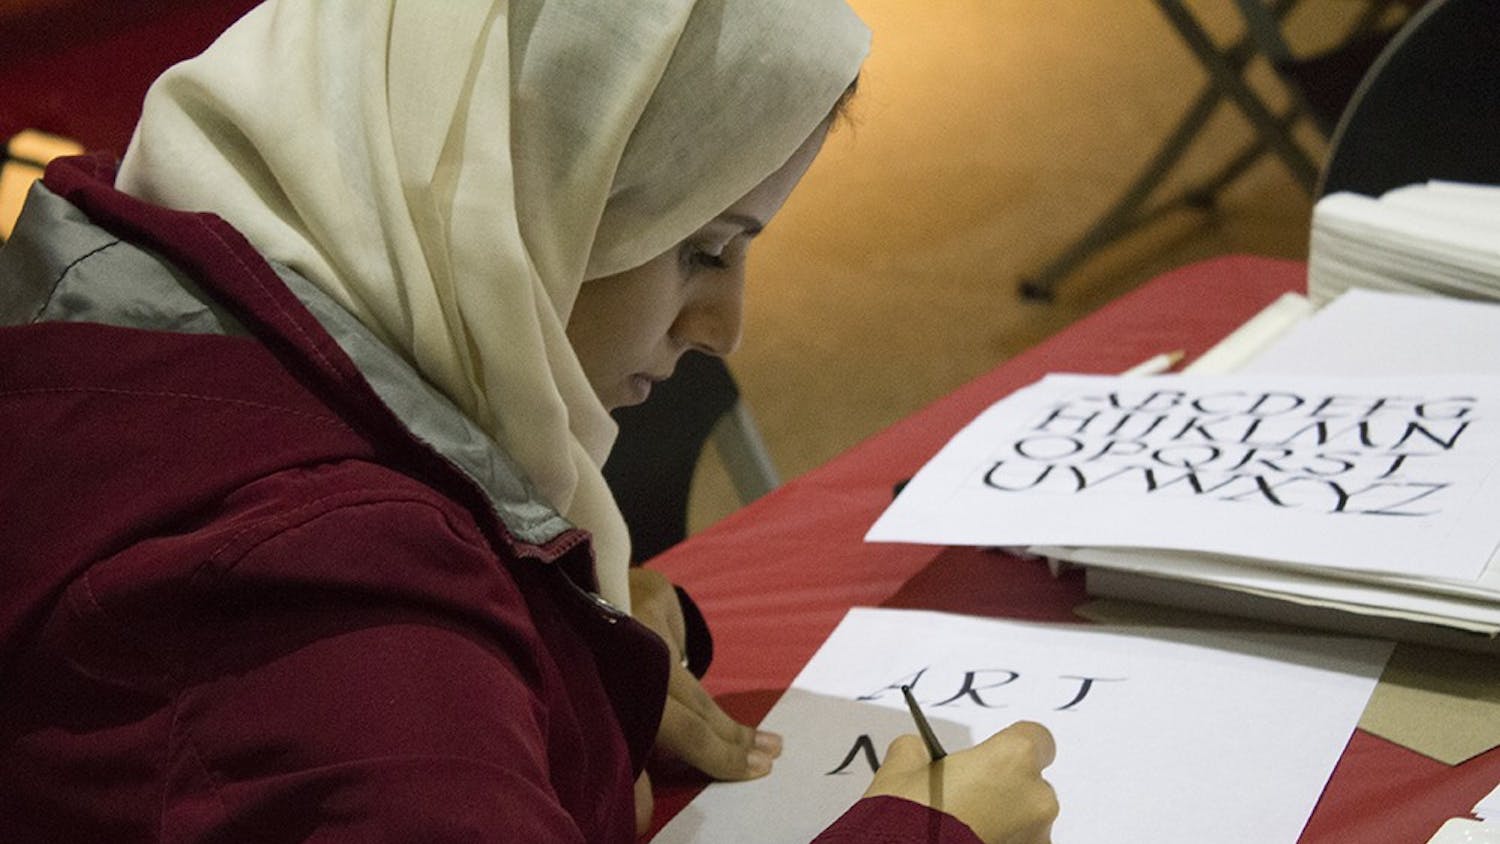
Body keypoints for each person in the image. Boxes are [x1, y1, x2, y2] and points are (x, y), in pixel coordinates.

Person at [0, 1, 1057, 841]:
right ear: (515, 200)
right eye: (702, 246)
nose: (725, 324)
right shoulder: (339, 621)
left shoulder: (160, 289)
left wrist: (556, 661)